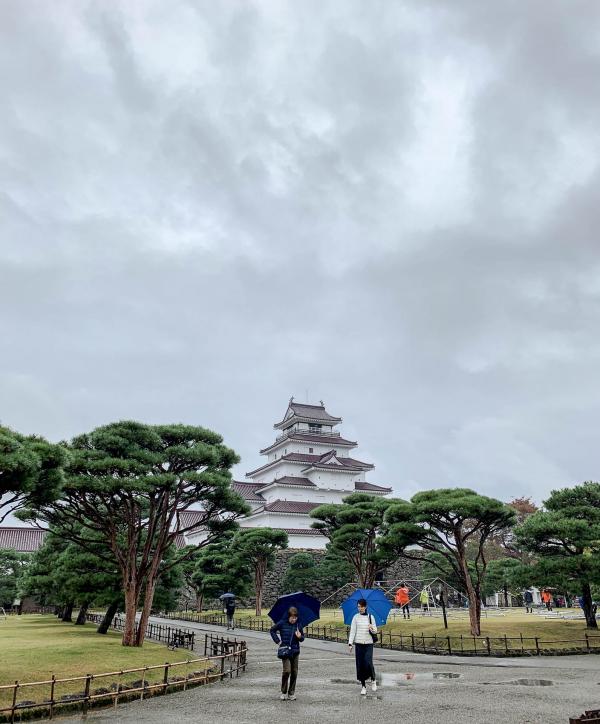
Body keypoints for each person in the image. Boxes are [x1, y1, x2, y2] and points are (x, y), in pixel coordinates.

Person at [270, 606, 304, 701]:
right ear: (289, 616)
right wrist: (278, 641)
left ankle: (291, 693)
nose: (294, 619)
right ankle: (284, 692)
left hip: (295, 651)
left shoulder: (298, 625)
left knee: (294, 672)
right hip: (285, 651)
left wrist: (299, 636)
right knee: (287, 671)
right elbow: (272, 630)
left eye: (295, 617)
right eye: (292, 617)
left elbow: (302, 638)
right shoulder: (282, 622)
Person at [348, 598, 378, 696]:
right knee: (360, 665)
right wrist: (350, 643)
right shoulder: (355, 617)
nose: (359, 608)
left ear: (365, 607)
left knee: (368, 662)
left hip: (369, 643)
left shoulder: (371, 617)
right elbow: (352, 631)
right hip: (359, 644)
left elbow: (375, 630)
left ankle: (373, 679)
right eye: (358, 607)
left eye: (361, 606)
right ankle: (363, 686)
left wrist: (372, 628)